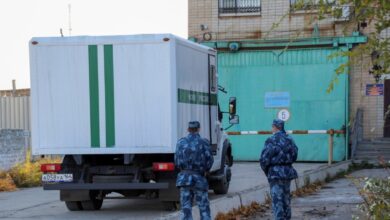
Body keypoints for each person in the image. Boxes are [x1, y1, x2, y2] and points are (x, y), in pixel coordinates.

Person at [260, 119, 298, 220]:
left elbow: (264, 159)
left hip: (275, 174)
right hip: (287, 172)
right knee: (286, 201)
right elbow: (295, 155)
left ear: (274, 127)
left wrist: (267, 171)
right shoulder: (290, 139)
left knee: (277, 202)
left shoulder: (271, 140)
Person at [175, 121, 214, 220]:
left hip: (184, 179)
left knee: (185, 210)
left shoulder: (180, 142)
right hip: (199, 179)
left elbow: (176, 161)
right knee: (204, 209)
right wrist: (205, 170)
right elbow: (210, 160)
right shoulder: (204, 142)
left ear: (188, 129)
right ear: (198, 129)